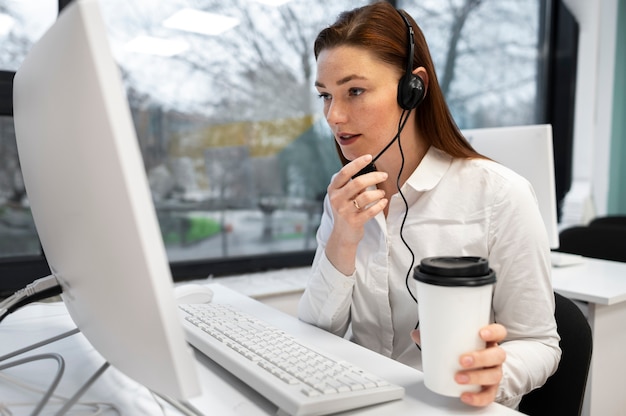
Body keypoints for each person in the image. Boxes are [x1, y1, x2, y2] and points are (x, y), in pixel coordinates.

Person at [297, 1, 561, 409]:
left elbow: (540, 343)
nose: (334, 115)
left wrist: (490, 374)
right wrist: (342, 240)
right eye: (325, 95)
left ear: (413, 88)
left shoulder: (500, 195)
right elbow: (315, 331)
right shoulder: (343, 195)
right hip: (360, 403)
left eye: (355, 91)